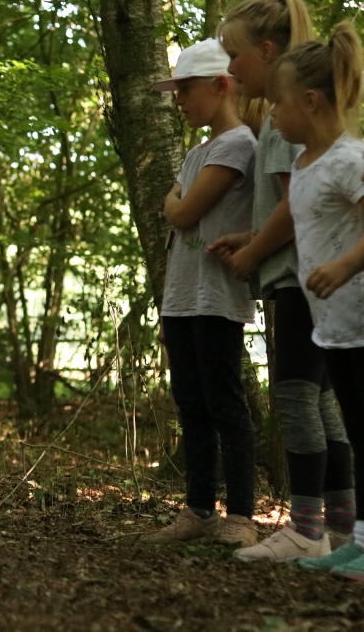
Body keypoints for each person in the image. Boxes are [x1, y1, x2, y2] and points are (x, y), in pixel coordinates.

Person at [209, 0, 356, 563]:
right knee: (322, 405)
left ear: (266, 51)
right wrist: (249, 239)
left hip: (298, 280)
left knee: (297, 400)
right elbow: (295, 205)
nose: (230, 68)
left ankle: (308, 526)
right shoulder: (285, 113)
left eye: (235, 56)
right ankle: (341, 529)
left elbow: (292, 206)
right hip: (307, 276)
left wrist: (253, 254)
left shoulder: (281, 117)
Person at [144, 38, 259, 548]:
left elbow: (181, 212)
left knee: (225, 403)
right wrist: (176, 200)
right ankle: (198, 511)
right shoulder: (197, 152)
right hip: (182, 295)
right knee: (189, 402)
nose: (179, 100)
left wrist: (175, 199)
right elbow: (176, 208)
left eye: (186, 89)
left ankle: (240, 515)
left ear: (220, 86)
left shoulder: (239, 144)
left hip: (216, 296)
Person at [265, 22, 364, 577]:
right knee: (354, 427)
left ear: (309, 100)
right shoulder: (304, 166)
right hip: (334, 325)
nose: (273, 115)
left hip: (360, 314)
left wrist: (346, 264)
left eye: (279, 104)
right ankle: (356, 541)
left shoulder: (350, 159)